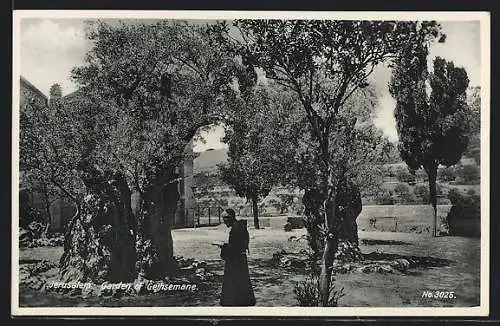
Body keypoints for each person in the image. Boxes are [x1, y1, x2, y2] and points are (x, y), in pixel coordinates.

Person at [219, 208, 256, 306]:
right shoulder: (239, 227)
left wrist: (223, 246)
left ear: (230, 218)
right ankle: (243, 300)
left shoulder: (236, 229)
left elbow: (234, 248)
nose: (224, 222)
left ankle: (235, 301)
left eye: (225, 219)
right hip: (240, 259)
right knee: (241, 280)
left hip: (235, 260)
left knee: (235, 280)